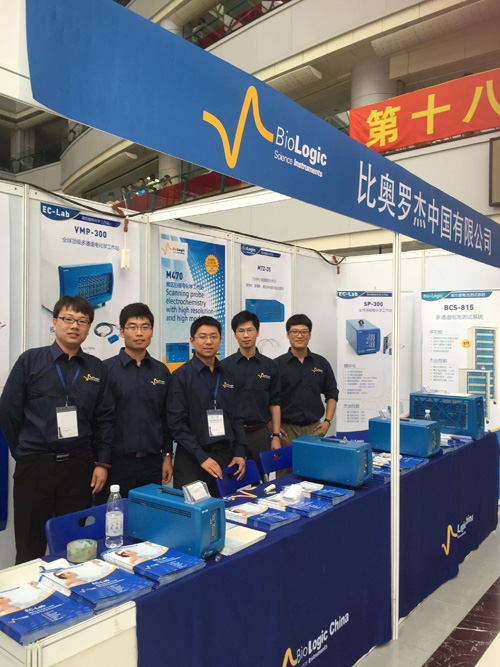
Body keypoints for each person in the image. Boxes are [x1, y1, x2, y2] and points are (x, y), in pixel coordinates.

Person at [0, 295, 114, 564]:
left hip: (79, 468)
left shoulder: (96, 368)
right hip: (35, 467)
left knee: (75, 546)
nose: (74, 326)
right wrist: (24, 452)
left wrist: (102, 463)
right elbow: (8, 411)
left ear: (89, 327)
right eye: (68, 319)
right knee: (29, 547)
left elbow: (105, 418)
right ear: (55, 322)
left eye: (82, 321)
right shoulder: (31, 360)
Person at [167, 316, 246, 497]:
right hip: (193, 459)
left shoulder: (229, 375)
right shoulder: (181, 376)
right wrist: (202, 457)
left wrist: (240, 452)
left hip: (226, 457)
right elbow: (176, 424)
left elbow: (237, 417)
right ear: (192, 341)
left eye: (213, 336)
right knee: (192, 511)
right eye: (202, 337)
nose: (208, 342)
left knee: (226, 508)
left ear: (220, 340)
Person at [101, 302, 172, 499]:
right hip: (115, 463)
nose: (139, 333)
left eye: (145, 327)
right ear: (122, 331)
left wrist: (167, 455)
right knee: (115, 514)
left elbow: (166, 418)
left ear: (152, 332)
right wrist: (101, 462)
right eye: (132, 327)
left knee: (150, 514)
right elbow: (99, 419)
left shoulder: (161, 371)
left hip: (152, 462)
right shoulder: (105, 370)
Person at [221, 310, 281, 478]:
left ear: (258, 332)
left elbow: (275, 403)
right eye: (241, 331)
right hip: (231, 435)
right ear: (235, 334)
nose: (246, 335)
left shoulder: (270, 366)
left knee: (262, 481)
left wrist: (276, 436)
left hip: (259, 433)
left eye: (250, 330)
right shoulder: (224, 367)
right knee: (231, 480)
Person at [275, 314, 338, 448]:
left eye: (304, 332)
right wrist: (273, 427)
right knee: (287, 463)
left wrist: (327, 422)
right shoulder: (277, 365)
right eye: (295, 332)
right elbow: (268, 399)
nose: (299, 336)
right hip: (286, 430)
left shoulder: (321, 363)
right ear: (288, 334)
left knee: (314, 462)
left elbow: (332, 394)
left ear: (309, 335)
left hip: (314, 429)